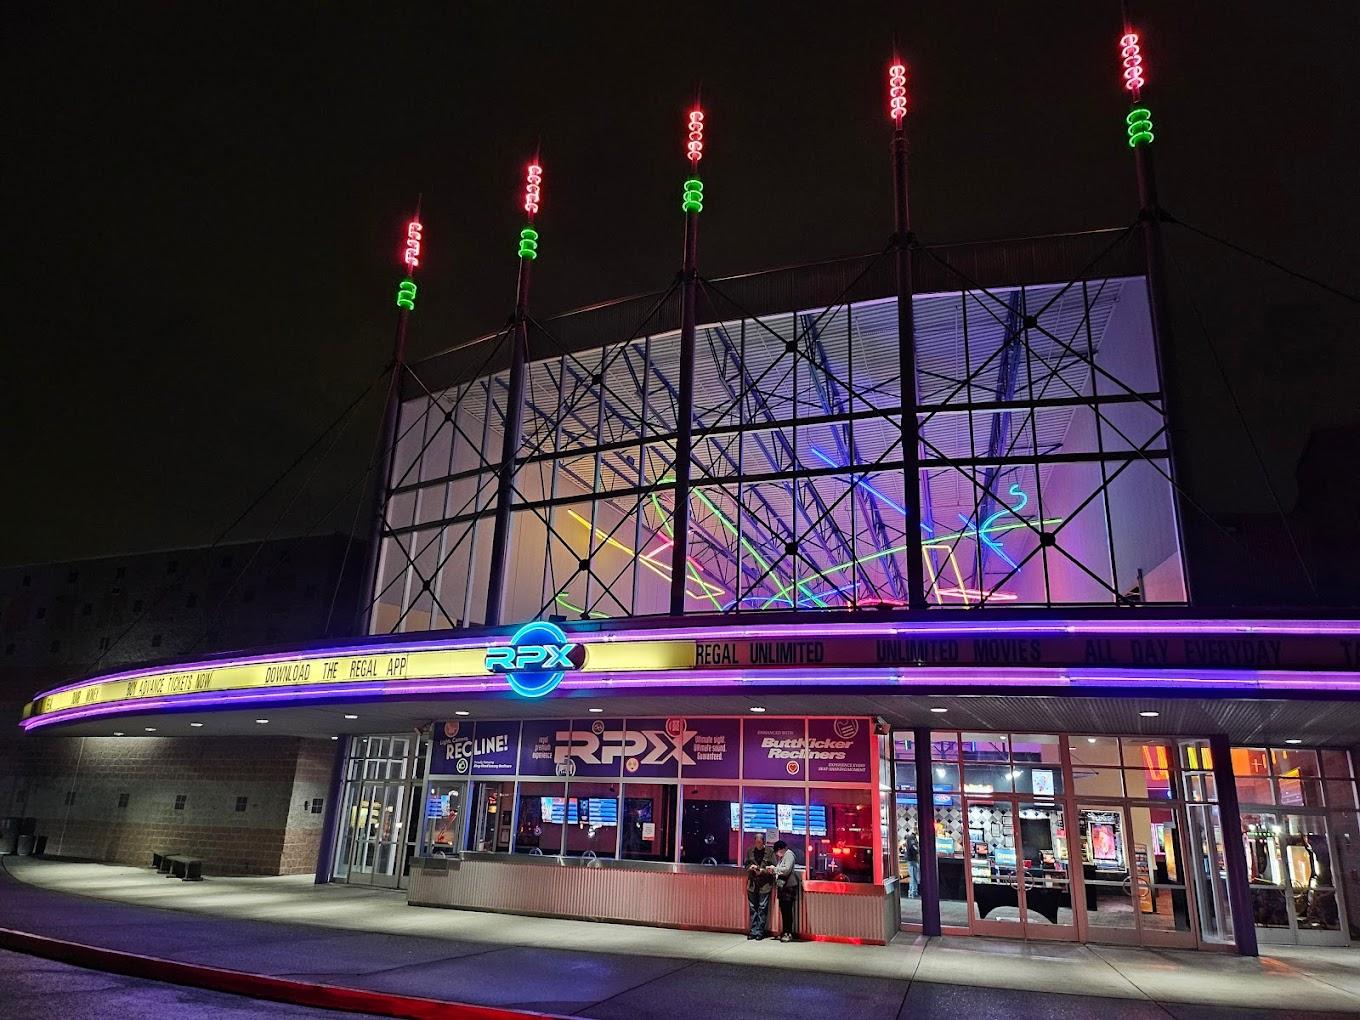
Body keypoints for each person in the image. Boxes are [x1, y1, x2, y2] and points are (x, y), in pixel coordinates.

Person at [743, 831, 775, 939]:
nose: (758, 844)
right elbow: (746, 865)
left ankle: (760, 932)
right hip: (752, 884)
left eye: (760, 842)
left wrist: (762, 871)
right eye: (756, 842)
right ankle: (753, 931)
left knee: (762, 908)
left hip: (765, 885)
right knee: (753, 908)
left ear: (763, 842)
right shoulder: (750, 851)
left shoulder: (770, 852)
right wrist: (750, 868)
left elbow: (773, 867)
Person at [772, 839, 800, 942]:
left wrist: (775, 869)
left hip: (788, 887)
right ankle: (785, 931)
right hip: (783, 887)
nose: (777, 854)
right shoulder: (783, 856)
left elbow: (787, 869)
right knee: (784, 911)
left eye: (777, 852)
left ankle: (788, 933)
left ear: (780, 849)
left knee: (787, 911)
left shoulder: (789, 855)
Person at [904, 829, 920, 898]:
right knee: (913, 876)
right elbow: (913, 847)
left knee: (913, 876)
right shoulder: (912, 838)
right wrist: (918, 851)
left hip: (912, 859)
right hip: (912, 859)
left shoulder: (912, 837)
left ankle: (913, 892)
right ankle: (913, 892)